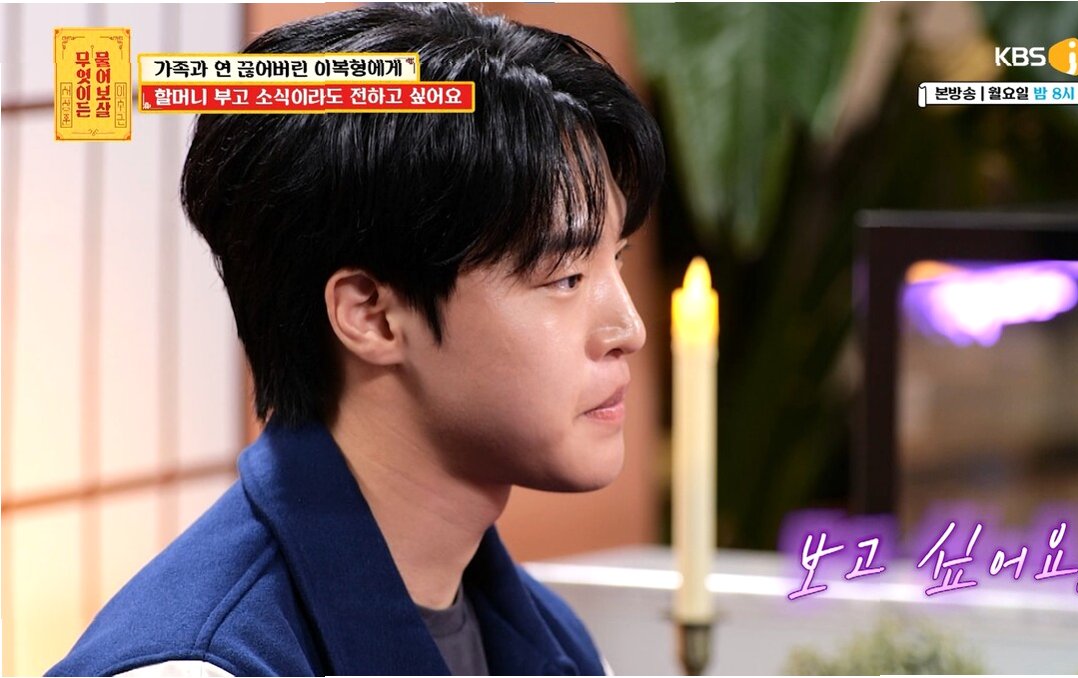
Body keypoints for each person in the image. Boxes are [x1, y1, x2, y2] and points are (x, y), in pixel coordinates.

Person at [48, 3, 664, 675]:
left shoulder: (554, 640)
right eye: (566, 277)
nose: (627, 330)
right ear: (370, 315)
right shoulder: (203, 663)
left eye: (617, 259)